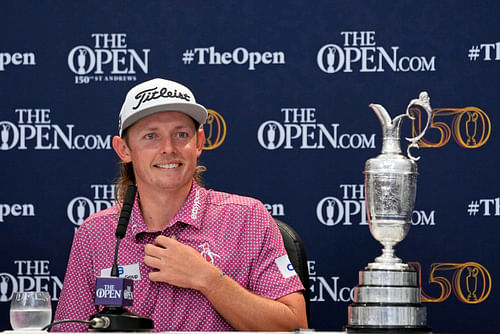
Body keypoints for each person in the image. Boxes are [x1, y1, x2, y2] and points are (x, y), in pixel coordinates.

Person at [53, 78, 307, 331]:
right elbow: (68, 333)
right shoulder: (95, 234)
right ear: (124, 150)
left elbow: (294, 327)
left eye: (181, 134)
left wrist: (210, 281)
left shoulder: (247, 219)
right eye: (151, 136)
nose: (168, 148)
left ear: (199, 143)